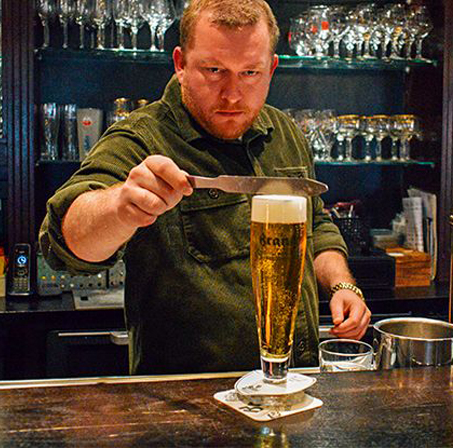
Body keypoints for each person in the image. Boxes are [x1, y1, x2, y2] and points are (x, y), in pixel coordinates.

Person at [39, 0, 371, 375]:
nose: (232, 94)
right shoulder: (142, 138)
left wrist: (342, 285)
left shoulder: (285, 133)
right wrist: (120, 207)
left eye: (250, 73)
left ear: (272, 68)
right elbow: (65, 240)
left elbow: (317, 227)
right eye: (214, 70)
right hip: (190, 402)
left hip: (297, 384)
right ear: (180, 64)